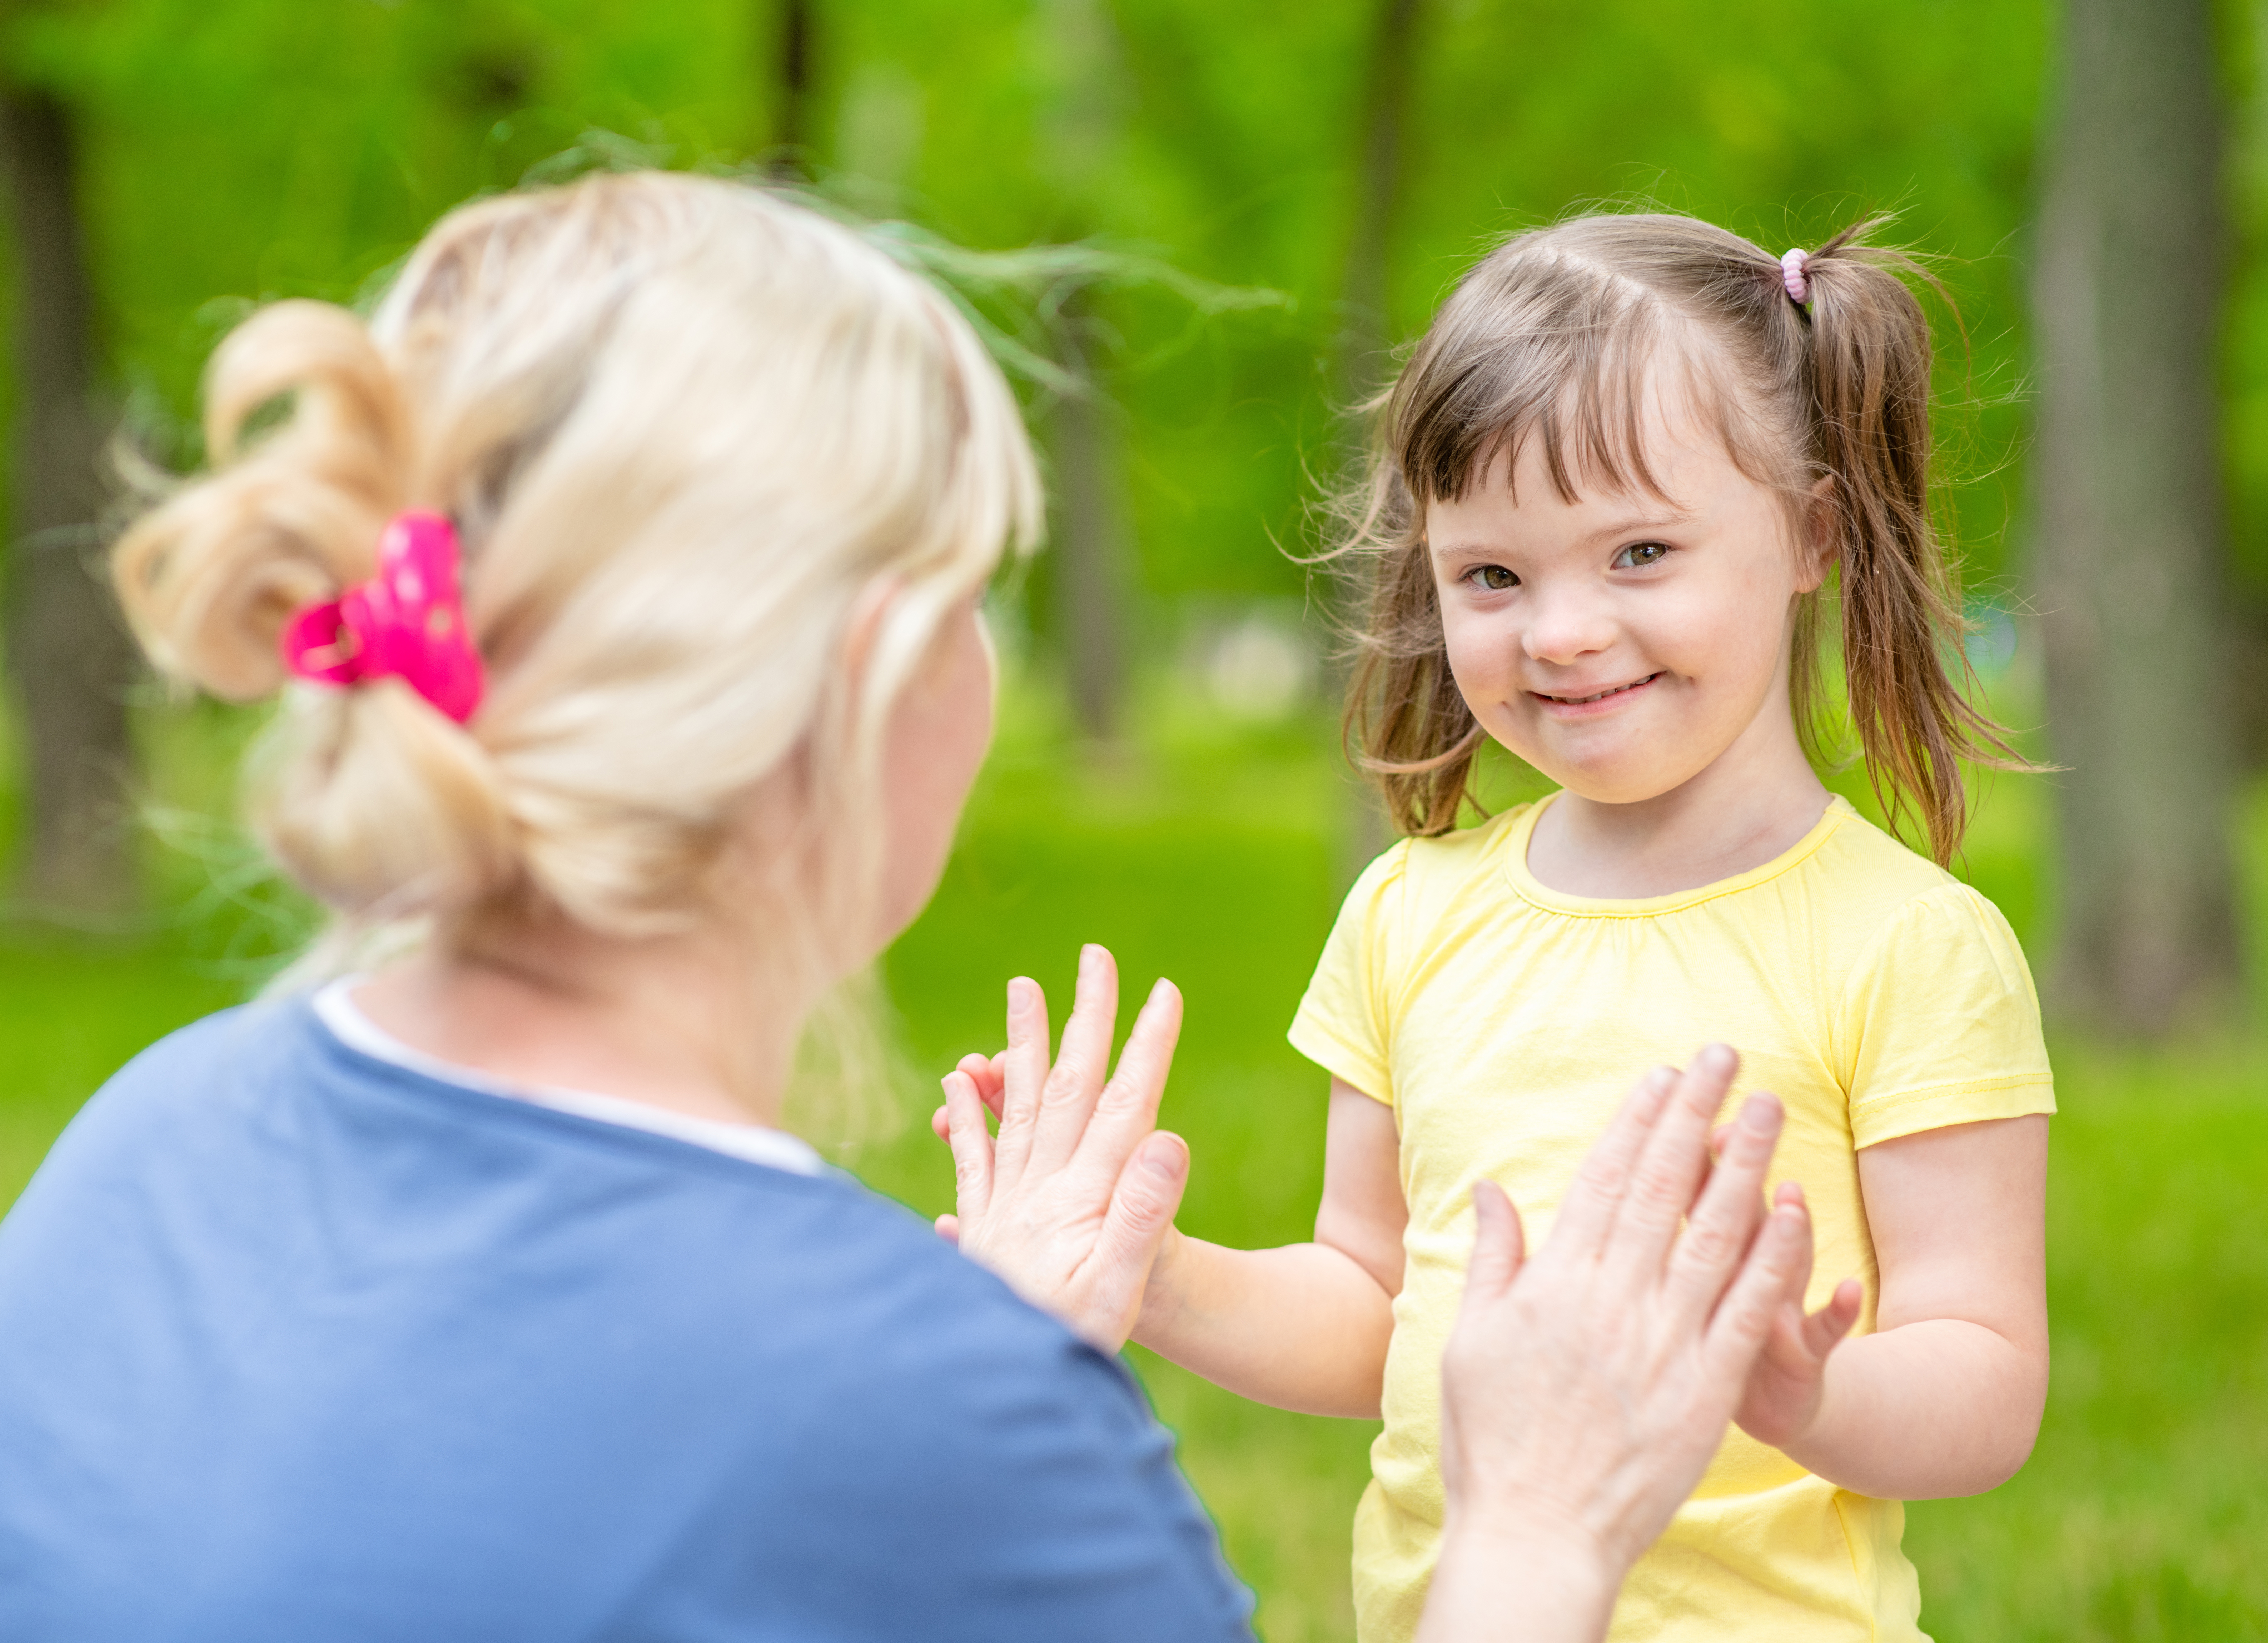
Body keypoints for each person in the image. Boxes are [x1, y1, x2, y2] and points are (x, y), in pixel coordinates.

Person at [0, 171, 1818, 1643]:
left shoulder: (131, 1151)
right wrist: (1539, 1528)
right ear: (876, 680)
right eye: (975, 593)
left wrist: (972, 1365)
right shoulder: (949, 1432)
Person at [940, 216, 2057, 1642]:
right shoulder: (1416, 909)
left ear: (1813, 535)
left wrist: (1805, 1391)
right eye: (1493, 577)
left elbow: (1986, 1376)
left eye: (1640, 552)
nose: (1563, 632)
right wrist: (1149, 1267)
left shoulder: (1909, 946)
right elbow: (1373, 1302)